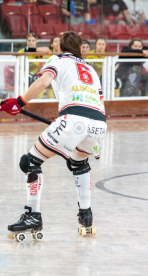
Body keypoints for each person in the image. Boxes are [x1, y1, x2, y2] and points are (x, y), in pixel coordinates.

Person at [1, 31, 106, 239]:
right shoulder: (91, 69)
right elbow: (100, 102)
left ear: (60, 47)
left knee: (30, 161)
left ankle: (33, 215)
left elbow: (43, 83)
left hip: (74, 120)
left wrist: (20, 102)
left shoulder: (57, 59)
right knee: (78, 163)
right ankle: (86, 216)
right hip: (99, 124)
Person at [18, 33, 50, 99]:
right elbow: (19, 67)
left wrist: (31, 50)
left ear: (36, 41)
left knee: (38, 95)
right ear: (26, 41)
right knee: (22, 96)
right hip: (25, 78)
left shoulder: (39, 52)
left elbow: (47, 50)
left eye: (33, 40)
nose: (31, 42)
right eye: (29, 40)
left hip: (36, 78)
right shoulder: (21, 51)